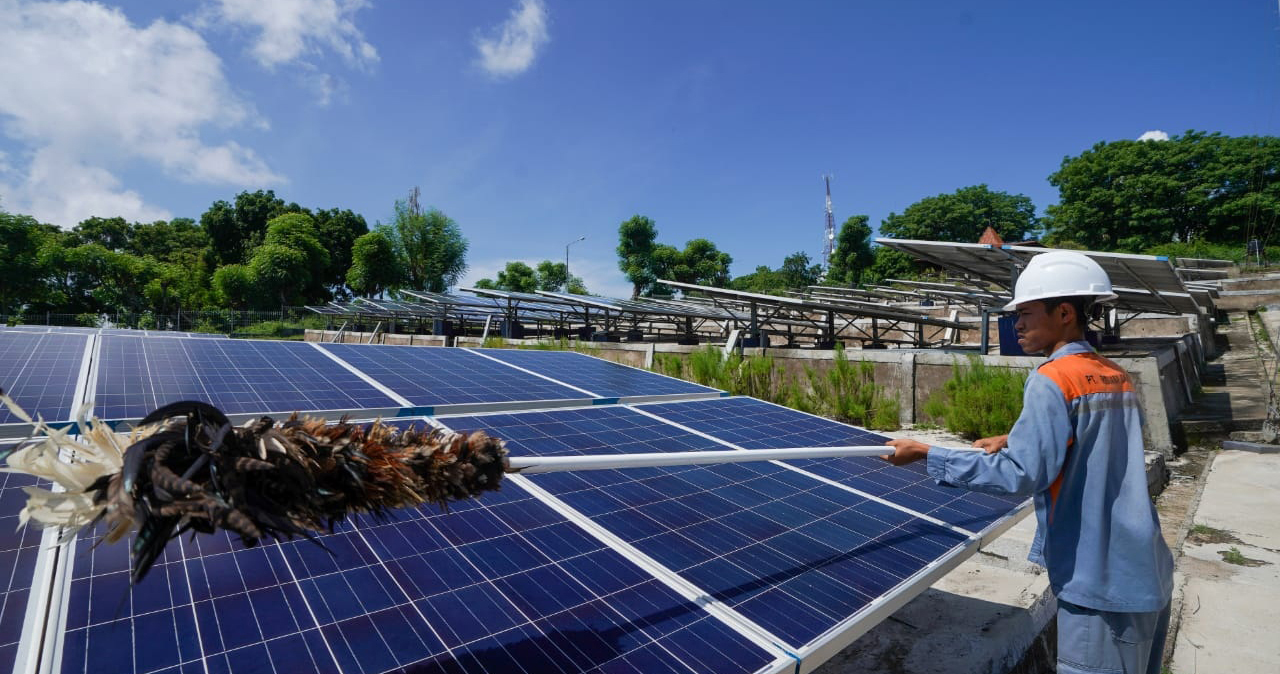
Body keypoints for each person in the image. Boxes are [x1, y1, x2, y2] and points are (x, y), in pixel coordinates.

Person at [882, 250, 1174, 674]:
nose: (1016, 324)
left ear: (1064, 313)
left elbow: (1021, 474)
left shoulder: (1051, 378)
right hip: (1145, 566)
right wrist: (1016, 437)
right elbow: (1097, 442)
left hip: (1099, 579)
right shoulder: (1113, 373)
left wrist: (928, 453)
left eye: (1026, 313)